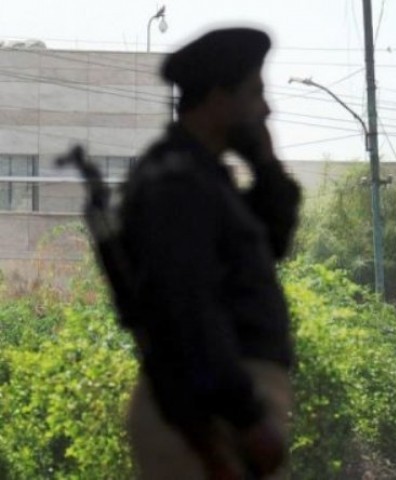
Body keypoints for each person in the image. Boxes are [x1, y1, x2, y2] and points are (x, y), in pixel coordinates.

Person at [119, 27, 300, 479]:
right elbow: (188, 307)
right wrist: (246, 416)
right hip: (213, 415)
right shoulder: (177, 182)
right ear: (220, 96)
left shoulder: (206, 178)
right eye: (255, 93)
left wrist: (264, 161)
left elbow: (273, 241)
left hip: (223, 405)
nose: (266, 108)